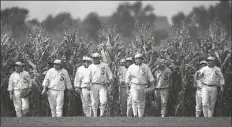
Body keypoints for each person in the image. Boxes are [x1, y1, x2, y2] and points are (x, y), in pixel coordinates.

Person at [88, 53, 113, 117]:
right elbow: (88, 76)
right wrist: (88, 83)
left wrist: (109, 81)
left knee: (103, 100)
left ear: (99, 58)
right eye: (94, 58)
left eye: (96, 58)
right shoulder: (90, 66)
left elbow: (110, 74)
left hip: (103, 85)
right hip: (93, 85)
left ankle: (101, 114)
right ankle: (95, 115)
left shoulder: (104, 65)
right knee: (94, 101)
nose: (95, 59)